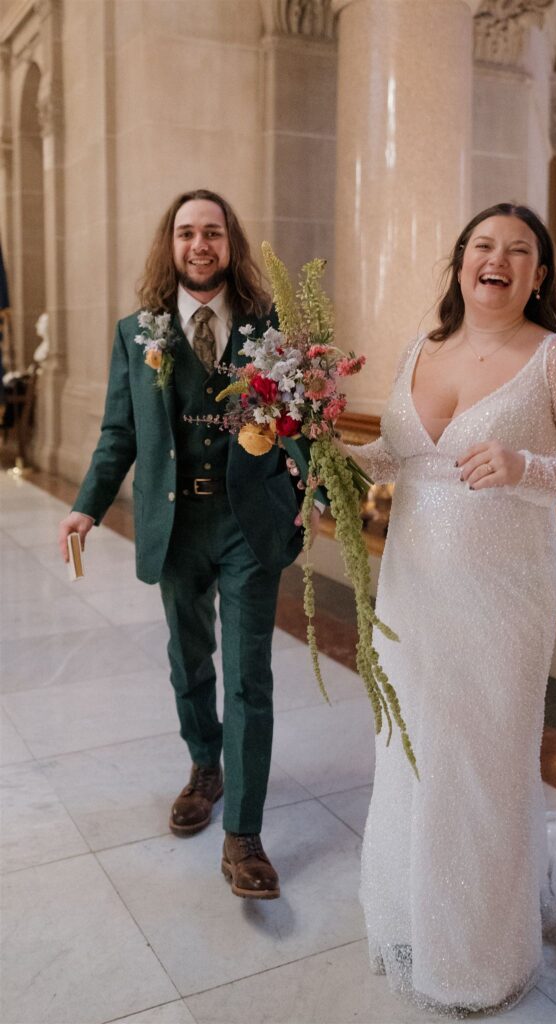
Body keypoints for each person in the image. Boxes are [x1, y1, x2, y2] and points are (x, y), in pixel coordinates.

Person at [348, 203, 556, 1014]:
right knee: (413, 749)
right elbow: (399, 456)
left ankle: (480, 958)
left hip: (499, 591)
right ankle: (413, 921)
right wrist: (322, 454)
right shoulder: (418, 349)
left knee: (480, 760)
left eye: (518, 250)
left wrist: (526, 464)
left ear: (538, 274)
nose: (495, 259)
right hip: (412, 587)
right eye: (481, 246)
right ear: (460, 262)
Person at [58, 188, 320, 900]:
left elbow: (303, 425)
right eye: (185, 233)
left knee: (248, 676)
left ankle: (243, 834)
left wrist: (312, 494)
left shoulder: (269, 330)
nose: (199, 245)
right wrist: (86, 506)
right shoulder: (135, 333)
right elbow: (120, 433)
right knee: (188, 659)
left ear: (230, 244)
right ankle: (206, 766)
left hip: (247, 524)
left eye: (212, 232)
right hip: (174, 526)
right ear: (169, 245)